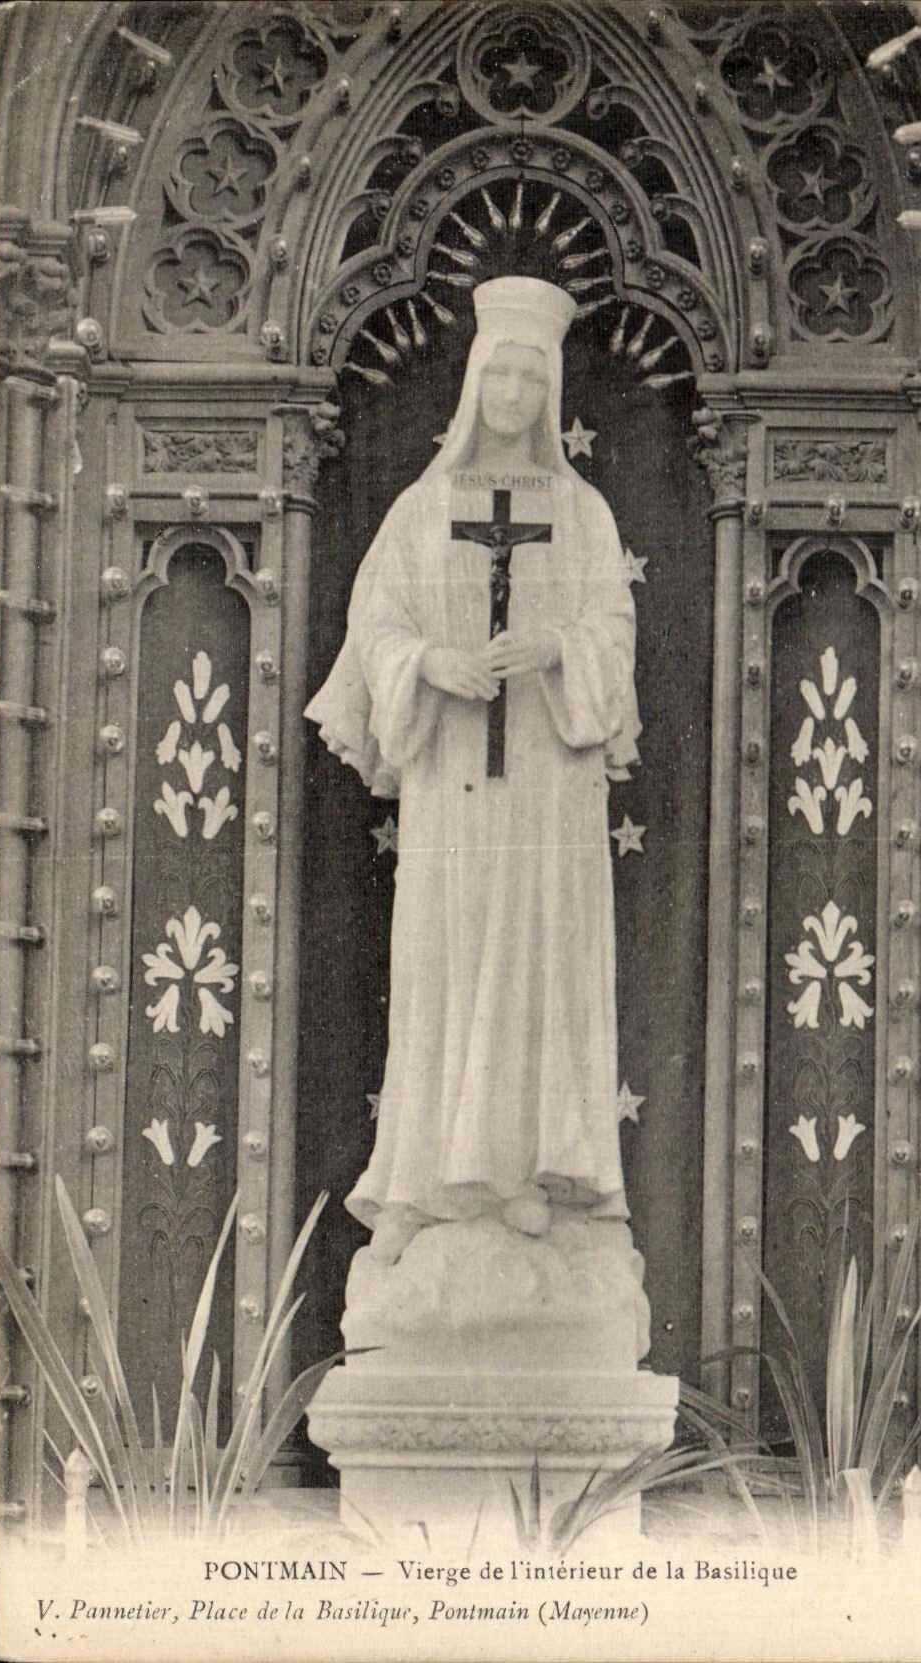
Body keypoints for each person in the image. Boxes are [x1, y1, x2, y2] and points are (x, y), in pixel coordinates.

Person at [305, 276, 641, 1264]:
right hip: (455, 776)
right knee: (443, 965)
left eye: (531, 379)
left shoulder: (581, 515)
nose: (512, 396)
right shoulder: (425, 507)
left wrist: (556, 649)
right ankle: (425, 1178)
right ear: (473, 384)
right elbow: (376, 631)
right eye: (499, 376)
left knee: (540, 963)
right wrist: (430, 664)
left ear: (551, 391)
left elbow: (612, 643)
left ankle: (538, 1174)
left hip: (547, 782)